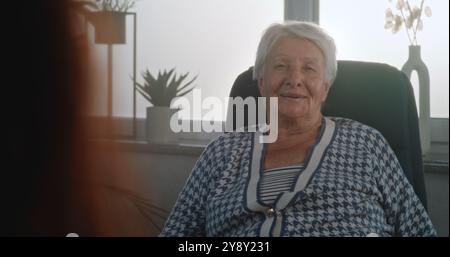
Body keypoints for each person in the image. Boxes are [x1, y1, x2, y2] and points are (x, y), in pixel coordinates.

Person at [160, 21, 436, 237]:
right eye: (281, 66)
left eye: (310, 69)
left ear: (325, 88)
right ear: (261, 82)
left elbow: (418, 229)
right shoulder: (221, 153)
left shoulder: (366, 143)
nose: (295, 79)